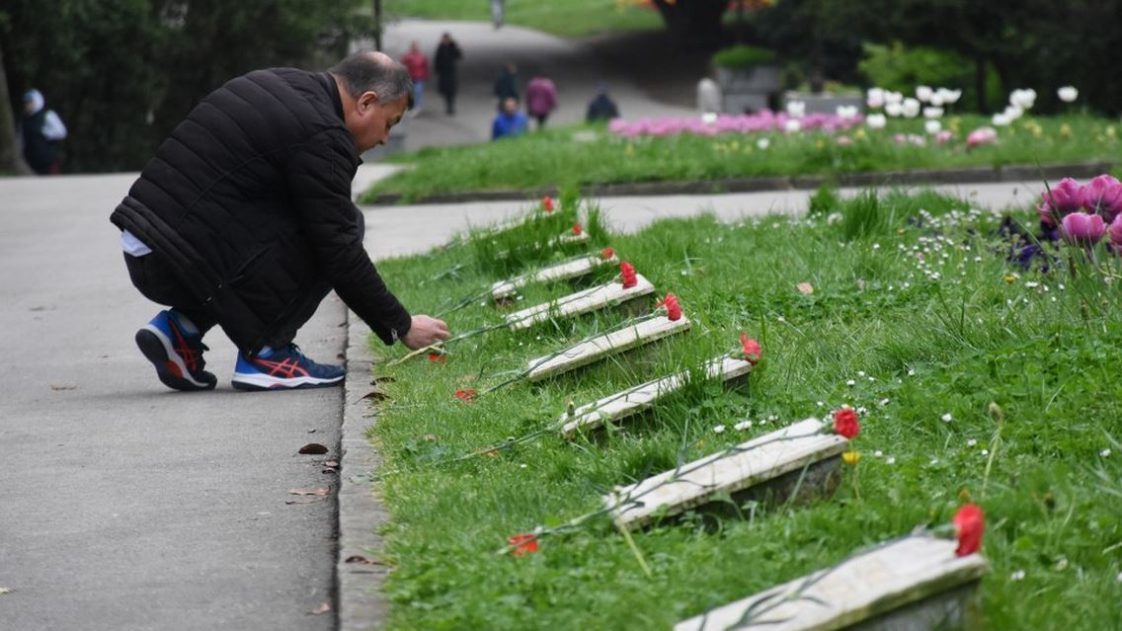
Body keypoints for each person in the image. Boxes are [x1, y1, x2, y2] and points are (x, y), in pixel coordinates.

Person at [109, 51, 450, 392]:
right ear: (366, 102)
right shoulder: (323, 133)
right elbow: (339, 249)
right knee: (341, 228)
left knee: (307, 219)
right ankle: (269, 354)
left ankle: (181, 330)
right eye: (389, 123)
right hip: (174, 260)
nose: (385, 138)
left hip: (147, 244)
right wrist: (401, 325)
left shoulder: (282, 81)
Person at [20, 89, 67, 175]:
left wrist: (45, 133)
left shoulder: (48, 115)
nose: (28, 105)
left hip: (49, 161)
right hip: (31, 162)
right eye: (26, 103)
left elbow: (61, 132)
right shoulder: (25, 120)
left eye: (30, 102)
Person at [433, 33, 463, 115]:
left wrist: (454, 45)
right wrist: (437, 69)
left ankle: (451, 106)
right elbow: (437, 59)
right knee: (446, 91)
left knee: (452, 90)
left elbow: (459, 55)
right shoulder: (440, 47)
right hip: (443, 72)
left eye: (447, 39)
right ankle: (448, 105)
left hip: (451, 72)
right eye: (444, 39)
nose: (446, 41)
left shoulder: (452, 47)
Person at [400, 41, 429, 113]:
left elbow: (425, 66)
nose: (415, 48)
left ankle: (417, 106)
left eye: (416, 46)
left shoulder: (422, 56)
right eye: (413, 46)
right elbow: (402, 64)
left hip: (419, 77)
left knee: (418, 91)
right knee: (409, 92)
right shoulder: (407, 56)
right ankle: (410, 105)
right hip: (410, 77)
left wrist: (425, 75)